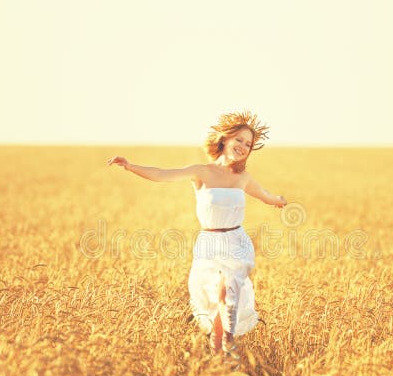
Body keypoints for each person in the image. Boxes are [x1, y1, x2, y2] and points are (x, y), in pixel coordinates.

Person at [107, 110, 286, 360]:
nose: (244, 147)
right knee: (214, 312)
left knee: (228, 296)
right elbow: (161, 174)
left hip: (236, 243)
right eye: (240, 140)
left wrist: (279, 201)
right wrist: (130, 166)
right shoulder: (201, 172)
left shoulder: (243, 178)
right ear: (225, 139)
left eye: (248, 144)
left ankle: (229, 343)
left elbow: (266, 196)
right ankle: (219, 358)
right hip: (209, 246)